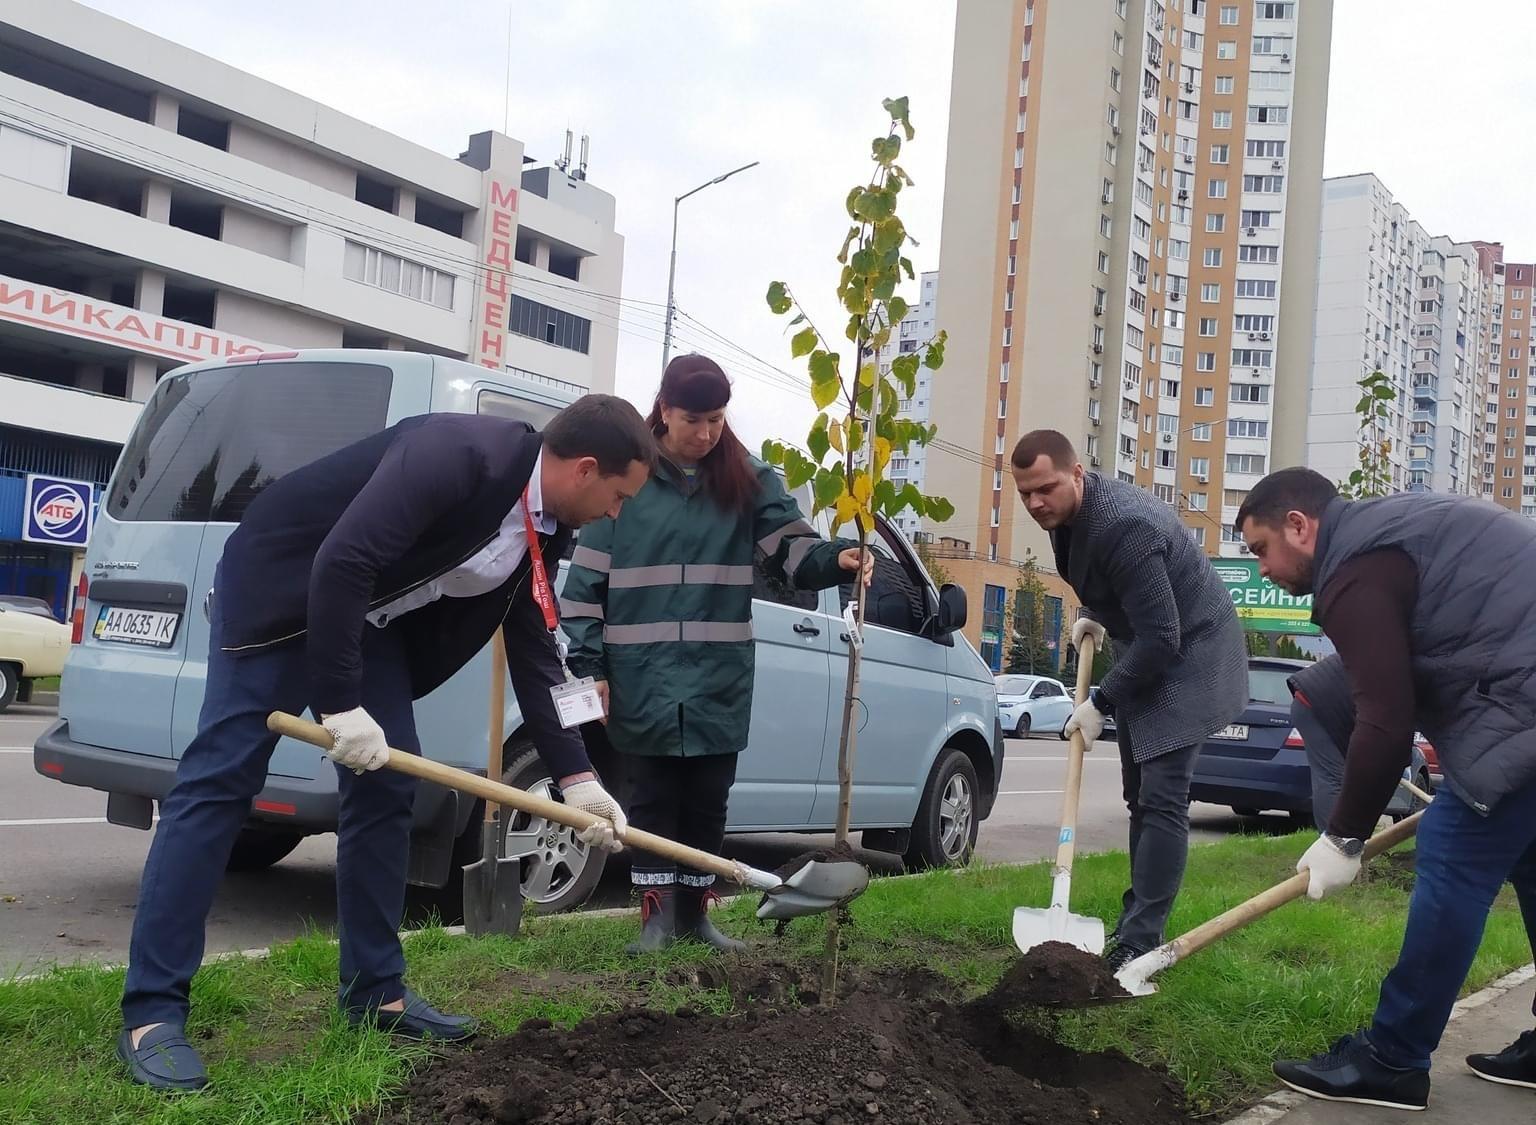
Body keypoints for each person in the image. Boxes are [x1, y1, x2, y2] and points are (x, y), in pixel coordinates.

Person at [117, 395, 652, 1092]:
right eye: (619, 496)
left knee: (387, 784)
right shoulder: (459, 454)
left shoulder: (544, 526)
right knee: (221, 780)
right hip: (284, 587)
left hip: (366, 620)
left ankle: (376, 993)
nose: (617, 512)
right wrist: (340, 704)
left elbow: (535, 650)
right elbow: (343, 558)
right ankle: (152, 1012)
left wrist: (577, 778)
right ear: (586, 469)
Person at [1236, 467, 1536, 1111]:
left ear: (1299, 525)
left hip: (1524, 700)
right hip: (1521, 682)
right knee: (1533, 866)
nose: (1261, 568)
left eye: (1261, 548)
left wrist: (1344, 835)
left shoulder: (1355, 568)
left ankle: (1393, 1060)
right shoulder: (1384, 533)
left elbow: (1387, 717)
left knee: (1453, 856)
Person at [560, 354, 869, 954]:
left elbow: (795, 551)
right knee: (648, 799)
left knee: (707, 800)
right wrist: (590, 668)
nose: (706, 434)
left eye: (717, 420)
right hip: (639, 680)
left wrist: (840, 559)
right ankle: (655, 919)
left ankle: (697, 916)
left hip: (716, 680)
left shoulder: (748, 480)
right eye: (693, 420)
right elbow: (583, 591)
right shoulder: (627, 479)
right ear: (664, 411)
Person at [1010, 429, 1248, 972]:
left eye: (1045, 488)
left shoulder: (1127, 525)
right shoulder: (1068, 517)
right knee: (1138, 794)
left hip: (1193, 657)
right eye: (1025, 494)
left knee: (1162, 797)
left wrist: (1102, 702)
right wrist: (1101, 611)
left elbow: (1164, 636)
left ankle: (1142, 940)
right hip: (1150, 645)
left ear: (1077, 473)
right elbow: (1116, 587)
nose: (1035, 503)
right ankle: (1134, 920)